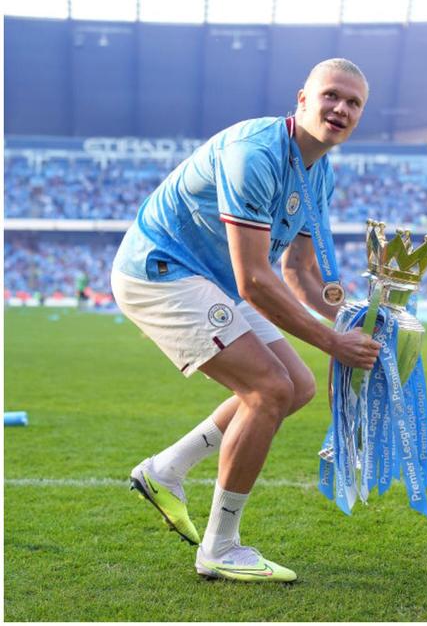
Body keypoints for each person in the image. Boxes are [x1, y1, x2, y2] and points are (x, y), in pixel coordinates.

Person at [115, 59, 381, 583]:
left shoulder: (318, 169)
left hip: (211, 280)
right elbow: (255, 282)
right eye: (331, 96)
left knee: (297, 386)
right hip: (161, 271)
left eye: (353, 104)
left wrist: (363, 320)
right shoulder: (255, 154)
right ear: (302, 99)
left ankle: (165, 470)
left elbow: (300, 272)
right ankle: (220, 546)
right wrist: (333, 342)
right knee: (268, 390)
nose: (341, 109)